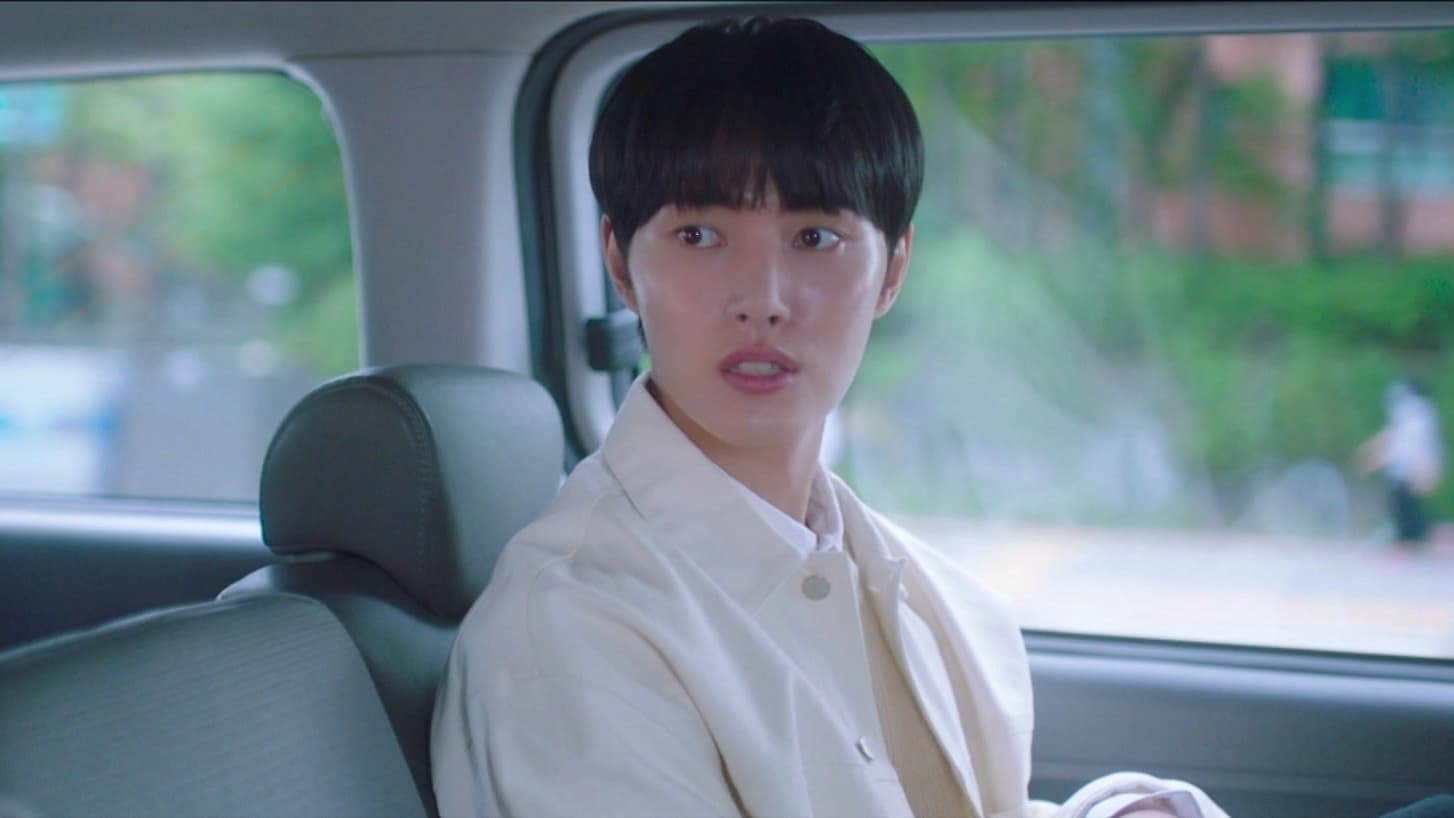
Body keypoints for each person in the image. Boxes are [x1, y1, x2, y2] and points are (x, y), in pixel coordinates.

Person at [432, 17, 1225, 818]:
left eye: (814, 237)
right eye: (699, 235)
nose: (764, 300)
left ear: (893, 270)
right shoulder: (572, 631)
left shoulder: (929, 595)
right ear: (620, 264)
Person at [1358, 379, 1445, 547]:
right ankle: (1408, 541)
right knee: (1407, 510)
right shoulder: (1420, 415)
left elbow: (1400, 445)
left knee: (1406, 510)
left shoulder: (1414, 416)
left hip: (1410, 473)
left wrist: (1373, 459)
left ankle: (1408, 542)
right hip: (1408, 474)